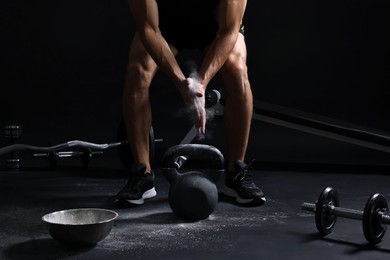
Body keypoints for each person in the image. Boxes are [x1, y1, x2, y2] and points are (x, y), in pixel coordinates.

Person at [115, 0, 266, 207]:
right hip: (164, 26)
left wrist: (200, 84)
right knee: (137, 72)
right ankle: (143, 173)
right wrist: (182, 84)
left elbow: (229, 32)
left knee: (238, 72)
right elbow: (149, 29)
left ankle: (236, 172)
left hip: (217, 27)